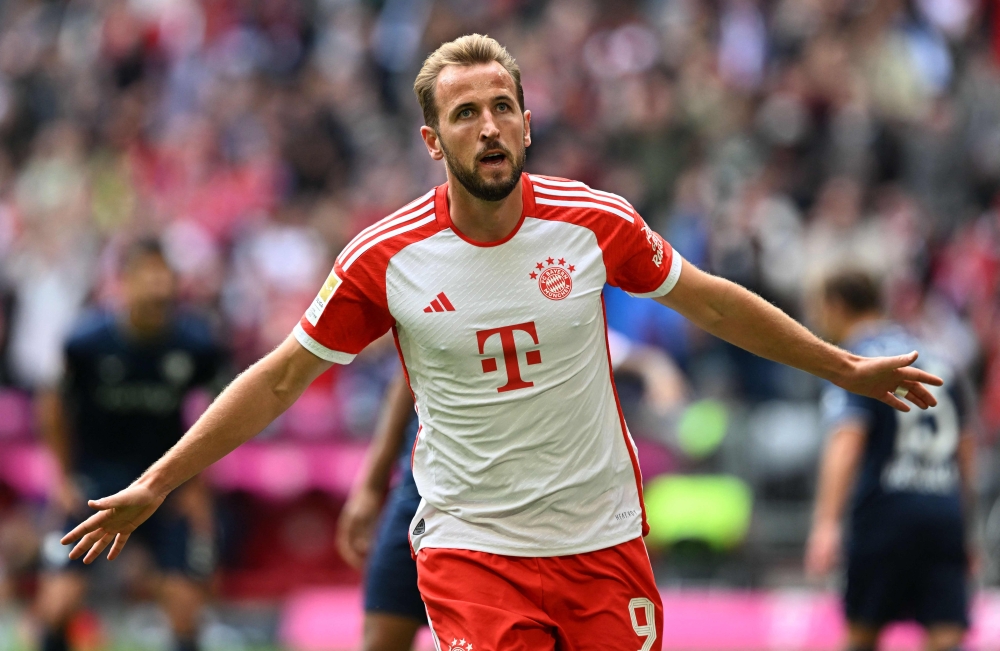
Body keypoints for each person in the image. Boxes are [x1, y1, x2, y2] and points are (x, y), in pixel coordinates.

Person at [62, 35, 943, 650]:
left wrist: (844, 366)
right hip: (472, 543)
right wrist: (157, 481)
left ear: (526, 122)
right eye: (466, 113)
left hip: (601, 535)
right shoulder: (386, 257)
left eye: (502, 108)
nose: (488, 127)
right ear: (431, 138)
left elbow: (711, 304)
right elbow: (283, 376)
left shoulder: (593, 222)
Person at [336, 330, 685, 651]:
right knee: (382, 635)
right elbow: (406, 374)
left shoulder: (554, 299)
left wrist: (659, 374)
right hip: (432, 481)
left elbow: (631, 354)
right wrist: (370, 486)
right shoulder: (435, 289)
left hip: (529, 498)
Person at [36, 240, 226, 651]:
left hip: (164, 485)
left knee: (184, 605)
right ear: (122, 283)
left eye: (165, 276)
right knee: (57, 604)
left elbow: (222, 413)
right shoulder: (84, 343)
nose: (159, 286)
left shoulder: (197, 345)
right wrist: (63, 478)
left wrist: (196, 484)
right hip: (94, 483)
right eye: (148, 276)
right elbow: (52, 406)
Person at [805, 270, 976, 651]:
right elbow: (967, 447)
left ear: (835, 305)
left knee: (862, 634)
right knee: (947, 635)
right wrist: (966, 524)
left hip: (884, 512)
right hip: (943, 511)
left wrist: (826, 524)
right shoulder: (937, 355)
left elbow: (847, 440)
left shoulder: (855, 359)